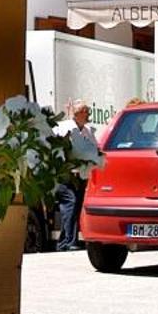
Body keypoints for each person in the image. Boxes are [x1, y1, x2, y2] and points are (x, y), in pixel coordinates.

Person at [53, 101, 95, 251]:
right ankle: (69, 242)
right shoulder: (65, 127)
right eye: (85, 111)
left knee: (75, 207)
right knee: (70, 203)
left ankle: (65, 242)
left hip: (79, 176)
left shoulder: (88, 131)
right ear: (77, 113)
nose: (87, 114)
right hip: (65, 175)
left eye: (87, 111)